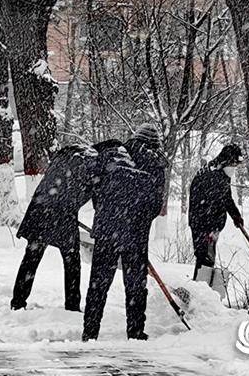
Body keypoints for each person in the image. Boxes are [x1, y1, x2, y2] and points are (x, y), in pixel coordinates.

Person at [83, 124, 167, 341]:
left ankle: (90, 332)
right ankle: (136, 331)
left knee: (98, 283)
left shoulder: (116, 154)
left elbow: (96, 188)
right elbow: (156, 205)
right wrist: (138, 219)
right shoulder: (155, 163)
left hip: (107, 229)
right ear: (154, 144)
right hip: (135, 234)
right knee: (135, 285)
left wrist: (105, 214)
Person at [11, 144, 98, 311]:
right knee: (72, 260)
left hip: (40, 209)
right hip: (61, 214)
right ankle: (72, 305)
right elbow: (96, 199)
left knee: (32, 257)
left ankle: (18, 301)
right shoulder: (92, 165)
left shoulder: (67, 157)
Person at [188, 144, 244, 279]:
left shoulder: (221, 174)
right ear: (226, 160)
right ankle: (200, 291)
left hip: (210, 226)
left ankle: (204, 290)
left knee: (208, 259)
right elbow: (205, 204)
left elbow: (226, 198)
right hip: (202, 225)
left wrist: (235, 215)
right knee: (204, 259)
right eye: (233, 164)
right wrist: (209, 229)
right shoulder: (210, 176)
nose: (234, 168)